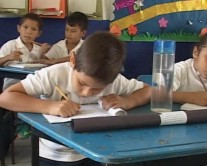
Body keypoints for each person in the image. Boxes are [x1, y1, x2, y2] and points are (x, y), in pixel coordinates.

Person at [0, 32, 151, 166]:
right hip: (54, 154)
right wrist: (50, 107)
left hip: (96, 152)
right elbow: (6, 98)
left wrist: (128, 101)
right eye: (82, 83)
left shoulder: (115, 80)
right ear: (73, 60)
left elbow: (149, 90)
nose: (86, 93)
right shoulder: (54, 74)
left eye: (97, 89)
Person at [0, 12, 50, 90]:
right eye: (25, 27)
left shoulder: (39, 49)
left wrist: (42, 54)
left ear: (39, 33)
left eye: (33, 29)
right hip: (12, 88)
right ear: (19, 28)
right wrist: (8, 57)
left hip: (33, 88)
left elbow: (47, 67)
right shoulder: (11, 45)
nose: (29, 32)